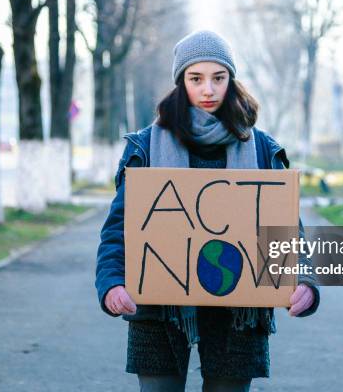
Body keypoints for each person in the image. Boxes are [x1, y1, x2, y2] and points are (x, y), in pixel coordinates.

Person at [95, 30, 320, 392]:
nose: (208, 90)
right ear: (180, 82)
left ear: (231, 81)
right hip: (159, 310)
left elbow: (287, 230)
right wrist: (111, 283)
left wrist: (304, 281)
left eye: (218, 78)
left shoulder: (261, 149)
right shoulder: (146, 147)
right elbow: (118, 229)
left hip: (238, 315)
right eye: (195, 78)